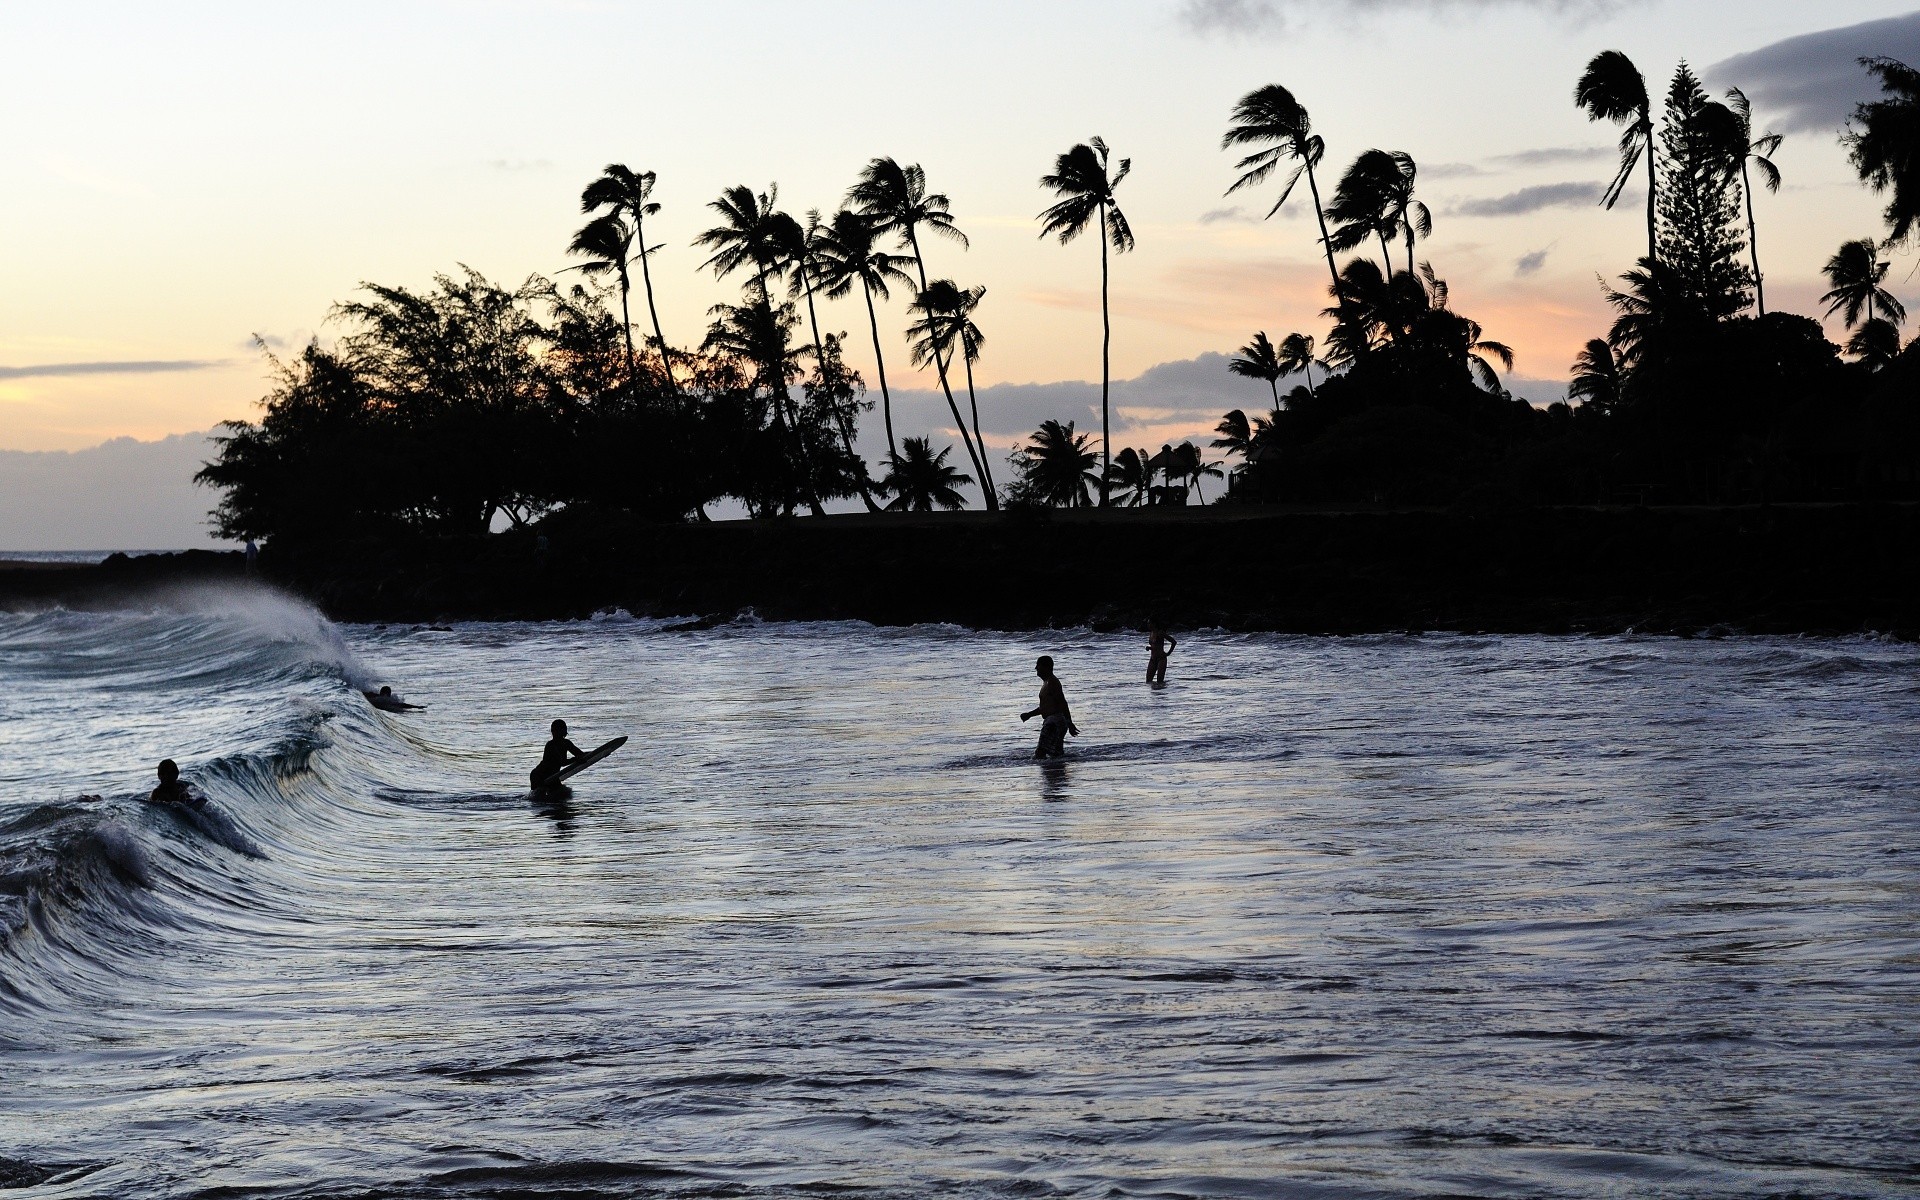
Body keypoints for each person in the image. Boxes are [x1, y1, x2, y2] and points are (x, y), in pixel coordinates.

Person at [1019, 656, 1079, 760]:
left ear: (1046, 667)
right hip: (1056, 721)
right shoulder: (1047, 683)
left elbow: (1062, 703)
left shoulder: (1052, 682)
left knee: (1040, 754)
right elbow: (1045, 707)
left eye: (1038, 665)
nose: (1035, 668)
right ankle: (1058, 773)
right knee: (1056, 755)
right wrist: (1029, 715)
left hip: (1053, 722)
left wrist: (1069, 722)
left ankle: (1050, 773)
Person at [530, 719, 584, 790]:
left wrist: (599, 752)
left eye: (557, 730)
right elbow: (562, 762)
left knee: (562, 795)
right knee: (541, 797)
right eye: (554, 731)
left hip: (553, 776)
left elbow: (580, 754)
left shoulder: (566, 743)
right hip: (539, 775)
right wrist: (575, 759)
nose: (555, 733)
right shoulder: (550, 745)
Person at [1147, 620, 1178, 686]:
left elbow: (1173, 642)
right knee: (1148, 681)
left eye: (1149, 623)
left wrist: (1168, 653)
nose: (1148, 625)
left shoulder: (1160, 633)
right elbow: (1155, 646)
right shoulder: (1151, 632)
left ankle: (1162, 694)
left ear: (1154, 624)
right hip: (1152, 659)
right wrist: (1149, 648)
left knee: (1160, 682)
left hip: (1161, 659)